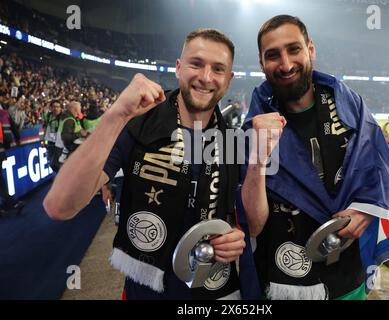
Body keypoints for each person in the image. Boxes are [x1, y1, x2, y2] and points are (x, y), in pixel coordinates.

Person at [44, 28, 250, 300]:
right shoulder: (137, 122)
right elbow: (59, 206)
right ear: (178, 68)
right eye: (196, 64)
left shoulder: (233, 140)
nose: (205, 77)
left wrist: (234, 237)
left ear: (229, 79)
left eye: (218, 69)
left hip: (214, 290)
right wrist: (117, 113)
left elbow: (238, 218)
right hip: (147, 291)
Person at [240, 15, 389, 300]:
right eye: (273, 55)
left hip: (347, 277)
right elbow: (252, 224)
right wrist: (257, 157)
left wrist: (367, 207)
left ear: (310, 49)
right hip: (283, 281)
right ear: (261, 63)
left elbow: (378, 165)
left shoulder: (349, 105)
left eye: (294, 49)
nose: (286, 64)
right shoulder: (252, 127)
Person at [43, 100, 62, 170]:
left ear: (61, 108)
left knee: (58, 164)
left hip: (59, 144)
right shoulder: (48, 116)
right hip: (50, 143)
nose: (56, 108)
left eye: (57, 107)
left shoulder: (63, 117)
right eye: (54, 107)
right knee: (51, 164)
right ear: (51, 108)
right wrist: (44, 142)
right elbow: (45, 131)